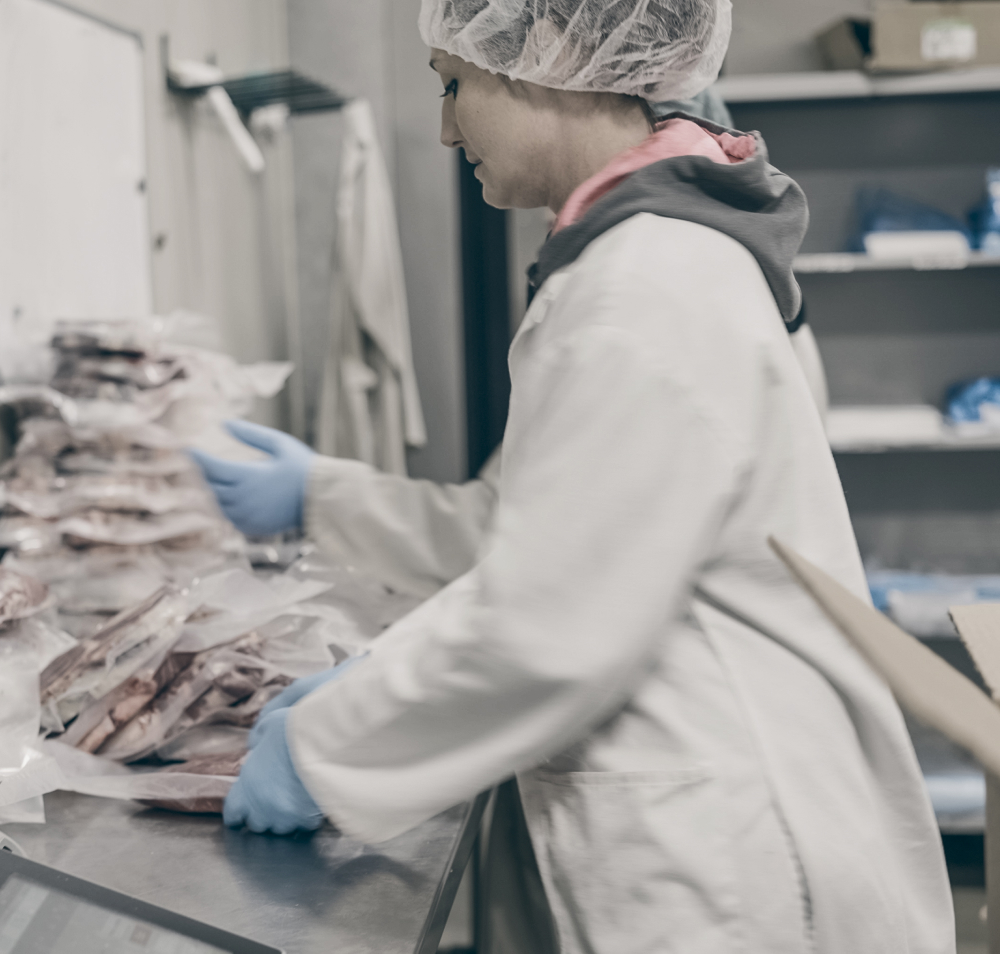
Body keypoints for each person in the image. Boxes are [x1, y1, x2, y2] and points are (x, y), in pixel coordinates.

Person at [191, 2, 954, 951]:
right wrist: (376, 668)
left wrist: (324, 750)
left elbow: (548, 626)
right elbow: (546, 542)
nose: (442, 125)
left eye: (451, 83)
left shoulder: (640, 290)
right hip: (720, 810)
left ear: (547, 57)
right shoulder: (647, 257)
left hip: (731, 857)